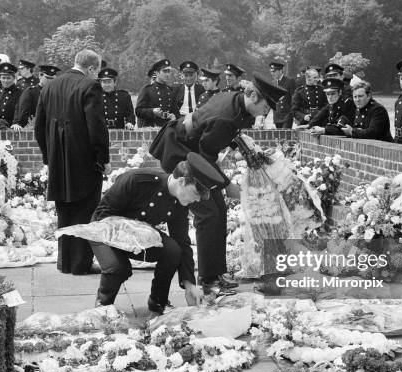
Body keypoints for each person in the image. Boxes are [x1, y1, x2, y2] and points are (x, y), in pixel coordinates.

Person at [149, 73, 288, 294]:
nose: (267, 111)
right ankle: (208, 280)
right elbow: (205, 157)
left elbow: (220, 133)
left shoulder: (237, 102)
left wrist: (239, 144)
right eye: (266, 105)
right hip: (181, 151)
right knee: (207, 213)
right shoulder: (227, 116)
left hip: (193, 148)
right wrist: (226, 185)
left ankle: (216, 272)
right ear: (252, 95)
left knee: (219, 210)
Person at [91, 152, 222, 312]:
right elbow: (103, 213)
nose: (196, 201)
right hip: (104, 232)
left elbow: (182, 241)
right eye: (196, 194)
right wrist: (129, 235)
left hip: (139, 238)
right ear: (182, 181)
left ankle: (158, 301)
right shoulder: (137, 180)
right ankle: (102, 307)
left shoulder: (180, 202)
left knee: (173, 250)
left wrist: (190, 285)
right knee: (119, 268)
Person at [34, 49, 110, 275]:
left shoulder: (50, 86)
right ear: (91, 69)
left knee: (64, 210)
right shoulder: (89, 86)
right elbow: (96, 127)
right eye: (97, 72)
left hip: (59, 160)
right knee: (86, 211)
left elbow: (39, 127)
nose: (97, 77)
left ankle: (64, 262)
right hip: (84, 160)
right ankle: (80, 264)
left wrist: (49, 157)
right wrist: (103, 159)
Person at [11, 64, 60, 130]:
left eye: (52, 79)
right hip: (33, 129)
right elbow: (23, 113)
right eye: (47, 78)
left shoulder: (57, 94)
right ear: (40, 76)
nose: (49, 81)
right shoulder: (30, 92)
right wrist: (17, 123)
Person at [135, 59, 178, 127]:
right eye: (164, 71)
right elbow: (138, 111)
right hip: (151, 129)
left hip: (166, 128)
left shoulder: (170, 91)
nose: (167, 74)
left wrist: (174, 117)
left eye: (168, 71)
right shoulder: (147, 90)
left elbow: (175, 111)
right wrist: (152, 111)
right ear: (157, 73)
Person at [269, 60, 297, 128]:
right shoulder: (273, 83)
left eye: (274, 71)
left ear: (281, 70)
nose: (272, 73)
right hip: (277, 115)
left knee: (285, 136)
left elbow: (294, 98)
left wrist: (294, 114)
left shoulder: (290, 81)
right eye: (271, 72)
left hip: (287, 115)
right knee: (279, 137)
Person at [0, 63, 22, 128]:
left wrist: (16, 123)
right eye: (3, 78)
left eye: (8, 78)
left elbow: (18, 110)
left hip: (11, 127)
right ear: (0, 78)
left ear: (14, 78)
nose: (5, 81)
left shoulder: (18, 93)